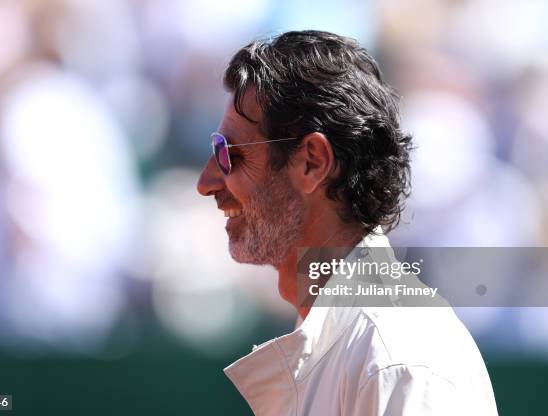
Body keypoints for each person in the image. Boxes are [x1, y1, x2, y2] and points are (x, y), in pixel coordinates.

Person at [197, 30, 498, 416]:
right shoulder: (368, 348)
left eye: (228, 154)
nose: (206, 183)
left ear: (312, 162)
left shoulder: (399, 361)